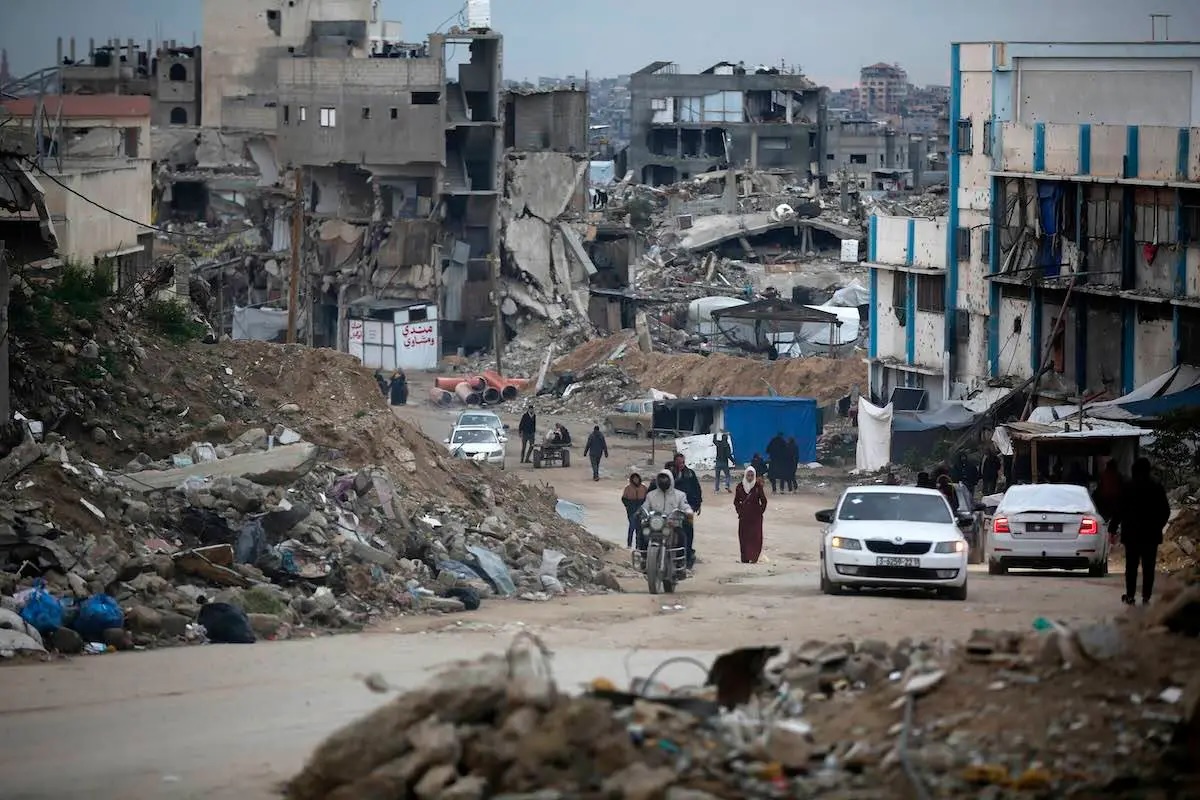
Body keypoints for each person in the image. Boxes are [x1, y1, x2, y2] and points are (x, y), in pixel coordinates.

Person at [1111, 457, 1170, 606]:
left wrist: (1112, 528)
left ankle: (1130, 595)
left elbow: (1119, 510)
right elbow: (1165, 511)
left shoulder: (1128, 487)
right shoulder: (1156, 486)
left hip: (1132, 534)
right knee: (1148, 567)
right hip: (1151, 534)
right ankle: (1146, 597)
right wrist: (1158, 526)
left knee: (1131, 566)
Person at [639, 469, 694, 551]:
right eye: (661, 479)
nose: (663, 481)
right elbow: (645, 506)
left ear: (671, 480)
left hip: (673, 524)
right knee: (643, 533)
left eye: (665, 479)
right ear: (657, 480)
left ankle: (680, 559)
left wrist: (688, 511)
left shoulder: (680, 495)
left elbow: (684, 505)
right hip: (655, 525)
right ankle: (643, 556)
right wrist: (641, 511)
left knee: (682, 536)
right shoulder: (651, 495)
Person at [669, 453, 703, 569]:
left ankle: (688, 556)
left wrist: (697, 504)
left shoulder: (690, 474)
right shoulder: (669, 473)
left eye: (683, 462)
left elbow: (696, 489)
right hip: (670, 508)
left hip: (687, 508)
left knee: (688, 532)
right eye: (679, 462)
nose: (681, 465)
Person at [734, 466, 768, 564]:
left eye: (752, 475)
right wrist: (739, 511)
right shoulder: (740, 487)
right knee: (744, 537)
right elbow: (736, 501)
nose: (750, 477)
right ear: (745, 475)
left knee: (755, 537)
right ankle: (744, 558)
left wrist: (759, 512)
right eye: (748, 475)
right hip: (744, 517)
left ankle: (754, 557)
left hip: (755, 518)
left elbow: (764, 501)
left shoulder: (757, 487)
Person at [1094, 460, 1124, 525]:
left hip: (1105, 497)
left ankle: (1106, 522)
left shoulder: (1103, 474)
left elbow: (1100, 486)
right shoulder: (1118, 475)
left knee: (1106, 513)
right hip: (1115, 497)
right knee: (1114, 513)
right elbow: (1121, 486)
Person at [621, 473, 648, 548]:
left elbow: (647, 498)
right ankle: (629, 544)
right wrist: (628, 505)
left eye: (637, 478)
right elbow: (624, 499)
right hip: (631, 508)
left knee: (639, 528)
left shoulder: (643, 487)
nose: (636, 480)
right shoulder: (628, 488)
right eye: (634, 479)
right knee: (632, 526)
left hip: (641, 507)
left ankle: (638, 545)